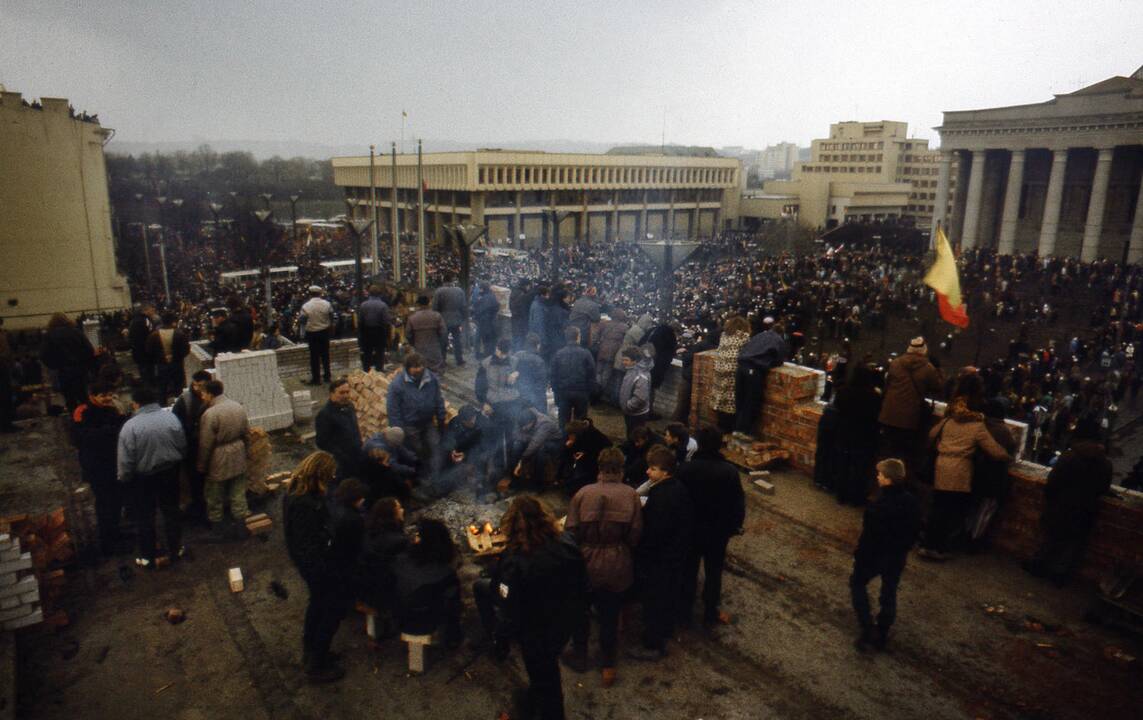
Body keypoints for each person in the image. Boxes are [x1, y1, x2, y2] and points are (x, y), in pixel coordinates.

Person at [475, 496, 587, 720]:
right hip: (564, 621)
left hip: (536, 631)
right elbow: (582, 583)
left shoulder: (516, 561)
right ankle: (538, 697)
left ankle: (552, 712)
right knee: (546, 670)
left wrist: (502, 637)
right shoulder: (567, 542)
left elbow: (509, 607)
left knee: (545, 676)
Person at [565, 447, 642, 688]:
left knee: (580, 612)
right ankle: (608, 664)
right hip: (617, 561)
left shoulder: (583, 493)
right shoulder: (631, 495)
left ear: (599, 467)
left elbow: (571, 531)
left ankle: (580, 655)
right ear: (621, 469)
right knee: (609, 615)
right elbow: (635, 533)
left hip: (586, 562)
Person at [918, 395, 1012, 560]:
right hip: (960, 471)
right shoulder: (977, 427)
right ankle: (939, 548)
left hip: (941, 467)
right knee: (950, 512)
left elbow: (932, 434)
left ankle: (926, 544)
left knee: (937, 508)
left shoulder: (948, 420)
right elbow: (994, 451)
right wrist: (1008, 457)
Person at [284, 451, 349, 683]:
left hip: (311, 566)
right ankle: (317, 664)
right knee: (329, 611)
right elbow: (308, 542)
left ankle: (312, 649)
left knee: (317, 606)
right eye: (330, 475)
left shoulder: (296, 491)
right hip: (318, 567)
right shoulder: (306, 504)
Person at [1023, 419, 1112, 585]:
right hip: (1086, 509)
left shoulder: (1069, 457)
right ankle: (1059, 575)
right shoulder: (1105, 464)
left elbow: (1053, 482)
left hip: (1062, 504)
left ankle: (1038, 566)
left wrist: (1052, 499)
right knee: (1072, 544)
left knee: (1051, 536)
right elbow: (1103, 488)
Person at [850, 458, 922, 653]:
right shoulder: (912, 502)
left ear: (888, 479)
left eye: (880, 474)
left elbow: (868, 536)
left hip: (874, 556)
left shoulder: (877, 506)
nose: (878, 477)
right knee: (889, 591)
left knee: (857, 584)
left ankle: (867, 627)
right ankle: (882, 631)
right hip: (897, 556)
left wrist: (859, 555)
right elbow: (915, 531)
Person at [678, 426, 745, 630]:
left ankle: (684, 614)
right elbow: (737, 503)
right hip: (717, 532)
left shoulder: (686, 469)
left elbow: (679, 500)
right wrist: (735, 526)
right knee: (714, 572)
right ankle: (709, 612)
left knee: (688, 571)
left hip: (691, 530)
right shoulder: (729, 472)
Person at [629, 445, 691, 661]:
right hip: (675, 556)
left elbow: (655, 533)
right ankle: (666, 630)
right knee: (666, 598)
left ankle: (653, 645)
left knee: (653, 602)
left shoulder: (661, 496)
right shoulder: (677, 488)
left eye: (652, 469)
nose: (648, 472)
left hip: (660, 560)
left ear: (665, 472)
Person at [117, 386, 187, 568]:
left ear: (136, 403)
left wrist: (125, 478)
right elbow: (181, 445)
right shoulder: (171, 417)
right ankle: (176, 548)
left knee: (145, 517)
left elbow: (126, 460)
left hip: (143, 479)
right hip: (170, 473)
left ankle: (148, 556)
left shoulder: (130, 427)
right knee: (171, 511)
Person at [72, 381, 128, 556]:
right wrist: (111, 431)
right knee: (105, 503)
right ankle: (107, 541)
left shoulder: (112, 410)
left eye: (109, 395)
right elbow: (82, 438)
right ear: (92, 397)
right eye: (103, 396)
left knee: (117, 500)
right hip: (96, 466)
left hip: (113, 463)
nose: (108, 399)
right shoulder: (82, 412)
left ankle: (116, 532)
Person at [878, 337, 943, 478]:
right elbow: (938, 386)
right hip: (910, 418)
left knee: (887, 450)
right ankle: (896, 483)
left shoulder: (895, 363)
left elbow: (887, 384)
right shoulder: (928, 368)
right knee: (903, 455)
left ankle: (882, 482)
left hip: (889, 415)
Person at [391, 518, 462, 646]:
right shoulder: (445, 572)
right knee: (451, 602)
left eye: (418, 535)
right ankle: (452, 639)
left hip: (399, 616)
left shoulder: (401, 560)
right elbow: (451, 605)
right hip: (426, 623)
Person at [196, 380, 251, 527]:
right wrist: (246, 452)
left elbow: (206, 444)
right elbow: (247, 433)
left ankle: (217, 524)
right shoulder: (237, 406)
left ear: (209, 394)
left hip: (219, 456)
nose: (202, 397)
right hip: (238, 451)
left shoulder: (210, 414)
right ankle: (241, 522)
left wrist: (202, 465)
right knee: (238, 492)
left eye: (203, 394)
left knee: (214, 494)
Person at [385, 353, 446, 484]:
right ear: (407, 368)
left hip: (427, 422)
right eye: (414, 367)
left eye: (420, 366)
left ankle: (437, 476)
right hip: (409, 425)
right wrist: (399, 430)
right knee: (417, 450)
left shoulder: (431, 379)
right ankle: (421, 477)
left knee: (435, 445)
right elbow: (393, 409)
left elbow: (438, 399)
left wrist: (441, 418)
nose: (418, 369)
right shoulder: (397, 385)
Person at [832, 364, 883, 506]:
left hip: (844, 433)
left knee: (843, 464)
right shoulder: (874, 397)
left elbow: (837, 408)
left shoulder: (843, 392)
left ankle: (841, 495)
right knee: (860, 468)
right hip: (864, 437)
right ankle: (856, 497)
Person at [356, 497, 410, 631]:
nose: (402, 510)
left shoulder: (369, 530)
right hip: (383, 589)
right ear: (393, 515)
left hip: (364, 583)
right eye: (399, 508)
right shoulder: (398, 541)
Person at [734, 319, 788, 437]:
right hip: (753, 369)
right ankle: (744, 432)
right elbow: (779, 360)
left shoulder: (759, 335)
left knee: (740, 398)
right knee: (751, 400)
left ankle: (736, 428)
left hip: (741, 367)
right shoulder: (778, 340)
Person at [172, 370, 210, 522]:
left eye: (201, 386)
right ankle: (199, 510)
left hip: (208, 445)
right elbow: (176, 423)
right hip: (192, 447)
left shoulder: (212, 396)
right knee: (195, 481)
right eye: (195, 385)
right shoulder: (185, 400)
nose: (197, 388)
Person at [40, 312, 95, 411]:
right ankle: (88, 418)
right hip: (79, 370)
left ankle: (74, 419)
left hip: (63, 372)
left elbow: (44, 355)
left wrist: (55, 366)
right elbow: (89, 350)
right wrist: (85, 364)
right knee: (83, 396)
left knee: (69, 398)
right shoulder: (76, 332)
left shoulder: (49, 335)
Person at [315, 378, 363, 482]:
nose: (345, 395)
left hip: (356, 455)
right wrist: (340, 454)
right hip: (341, 463)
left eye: (347, 392)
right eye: (341, 393)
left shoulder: (349, 406)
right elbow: (321, 442)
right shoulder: (325, 415)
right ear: (331, 393)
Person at [709, 316, 751, 432]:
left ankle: (719, 432)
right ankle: (727, 433)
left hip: (719, 372)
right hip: (732, 375)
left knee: (720, 404)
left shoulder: (724, 336)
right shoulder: (744, 337)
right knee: (731, 406)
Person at [550, 327, 595, 430]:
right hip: (581, 393)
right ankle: (578, 442)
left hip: (563, 392)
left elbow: (553, 375)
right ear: (578, 337)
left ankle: (563, 441)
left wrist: (556, 391)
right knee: (579, 422)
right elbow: (592, 374)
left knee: (563, 421)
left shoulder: (558, 354)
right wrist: (590, 393)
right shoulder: (586, 353)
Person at [510, 406, 563, 491]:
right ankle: (515, 479)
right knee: (517, 445)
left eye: (525, 427)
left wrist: (522, 460)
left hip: (553, 441)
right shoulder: (522, 418)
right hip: (534, 438)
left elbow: (535, 444)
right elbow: (515, 434)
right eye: (522, 427)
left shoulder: (545, 423)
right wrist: (530, 437)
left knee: (540, 451)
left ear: (532, 422)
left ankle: (538, 483)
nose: (523, 429)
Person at [146, 311, 190, 404]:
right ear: (173, 321)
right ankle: (179, 406)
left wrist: (160, 358)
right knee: (178, 388)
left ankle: (162, 406)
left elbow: (149, 351)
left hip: (161, 365)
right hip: (177, 365)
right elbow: (186, 351)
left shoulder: (154, 335)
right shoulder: (180, 334)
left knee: (162, 388)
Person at [562, 418, 611, 496]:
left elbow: (593, 453)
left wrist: (583, 455)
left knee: (573, 485)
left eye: (571, 435)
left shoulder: (592, 437)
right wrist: (569, 447)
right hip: (586, 458)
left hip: (598, 462)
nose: (569, 437)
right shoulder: (580, 436)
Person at [593, 308, 629, 401]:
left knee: (598, 372)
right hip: (612, 353)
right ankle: (599, 393)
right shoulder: (624, 327)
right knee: (606, 375)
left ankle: (595, 390)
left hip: (602, 350)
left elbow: (596, 335)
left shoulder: (605, 324)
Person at [301, 286, 334, 386]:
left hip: (312, 334)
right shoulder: (327, 304)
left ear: (310, 294)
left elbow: (302, 320)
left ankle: (316, 379)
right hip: (324, 332)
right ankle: (327, 377)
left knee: (314, 357)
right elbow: (331, 316)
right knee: (325, 355)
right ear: (320, 293)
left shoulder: (305, 306)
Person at [406, 294, 448, 374]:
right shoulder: (436, 316)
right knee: (437, 371)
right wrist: (441, 344)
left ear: (418, 304)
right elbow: (443, 332)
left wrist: (413, 343)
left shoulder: (412, 318)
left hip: (419, 348)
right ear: (429, 303)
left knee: (421, 370)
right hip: (434, 348)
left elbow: (408, 334)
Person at [432, 277, 468, 367]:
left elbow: (435, 307)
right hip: (456, 319)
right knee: (457, 341)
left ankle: (442, 360)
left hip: (443, 320)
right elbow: (463, 306)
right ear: (452, 282)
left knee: (443, 341)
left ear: (443, 282)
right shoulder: (459, 291)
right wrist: (463, 318)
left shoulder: (439, 291)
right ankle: (459, 360)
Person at [618, 347, 653, 436]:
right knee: (630, 434)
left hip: (637, 414)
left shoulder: (640, 375)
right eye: (623, 360)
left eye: (626, 360)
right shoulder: (631, 370)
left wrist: (628, 406)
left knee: (634, 436)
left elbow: (640, 397)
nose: (624, 362)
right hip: (631, 412)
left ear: (634, 361)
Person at [358, 284, 393, 372]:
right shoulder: (383, 305)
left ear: (369, 293)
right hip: (379, 331)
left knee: (367, 352)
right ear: (379, 294)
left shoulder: (363, 305)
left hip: (366, 331)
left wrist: (360, 334)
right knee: (379, 352)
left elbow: (360, 320)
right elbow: (386, 321)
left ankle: (366, 370)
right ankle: (379, 370)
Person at [514, 333, 549, 413]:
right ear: (538, 345)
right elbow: (542, 382)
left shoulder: (517, 356)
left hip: (520, 395)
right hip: (535, 398)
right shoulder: (539, 361)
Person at [472, 281, 501, 359]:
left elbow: (478, 311)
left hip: (485, 324)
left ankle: (487, 358)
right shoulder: (492, 296)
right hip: (492, 323)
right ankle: (491, 356)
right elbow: (497, 306)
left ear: (482, 289)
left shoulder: (483, 298)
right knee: (491, 342)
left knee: (486, 343)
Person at [509, 278, 535, 351]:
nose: (529, 288)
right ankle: (517, 355)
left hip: (514, 319)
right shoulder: (522, 294)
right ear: (526, 285)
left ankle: (514, 354)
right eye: (529, 286)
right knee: (519, 339)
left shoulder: (514, 291)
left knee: (515, 338)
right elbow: (521, 308)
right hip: (520, 320)